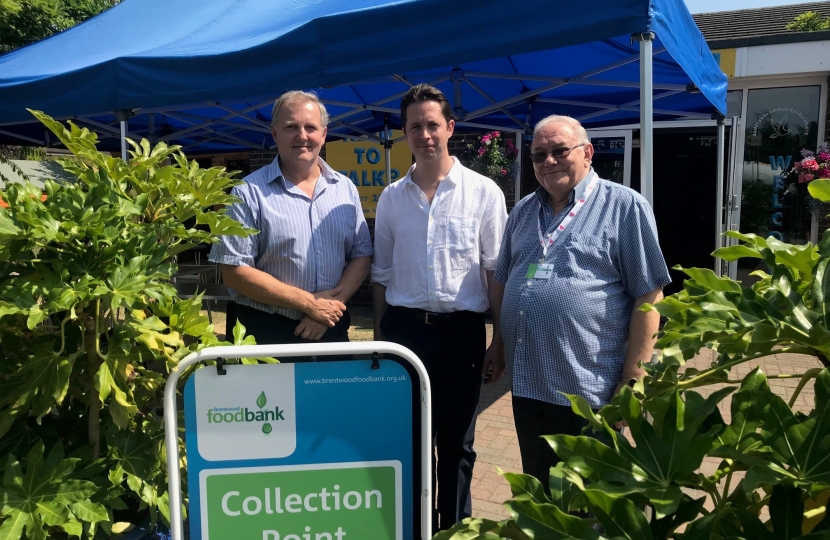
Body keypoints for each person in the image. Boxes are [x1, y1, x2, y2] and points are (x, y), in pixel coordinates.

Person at [493, 115, 671, 489]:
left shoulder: (624, 207)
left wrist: (635, 378)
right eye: (539, 155)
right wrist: (498, 343)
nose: (549, 162)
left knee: (596, 500)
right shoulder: (523, 211)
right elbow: (505, 280)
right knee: (544, 495)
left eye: (560, 151)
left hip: (589, 391)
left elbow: (650, 295)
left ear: (587, 153)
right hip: (528, 387)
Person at [371, 84, 508, 530]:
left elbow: (495, 273)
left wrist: (498, 341)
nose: (425, 134)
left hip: (461, 334)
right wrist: (379, 338)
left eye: (433, 125)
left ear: (450, 128)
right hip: (404, 332)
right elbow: (381, 275)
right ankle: (412, 528)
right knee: (406, 442)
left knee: (456, 445)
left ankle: (454, 531)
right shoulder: (391, 197)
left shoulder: (484, 192)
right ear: (405, 133)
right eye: (415, 126)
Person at [210, 90, 372, 354]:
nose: (302, 136)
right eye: (291, 127)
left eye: (310, 127)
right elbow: (234, 271)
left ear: (324, 134)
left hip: (330, 327)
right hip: (265, 332)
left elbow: (362, 255)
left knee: (331, 397)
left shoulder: (345, 189)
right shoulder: (247, 192)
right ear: (274, 134)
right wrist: (309, 304)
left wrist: (326, 310)